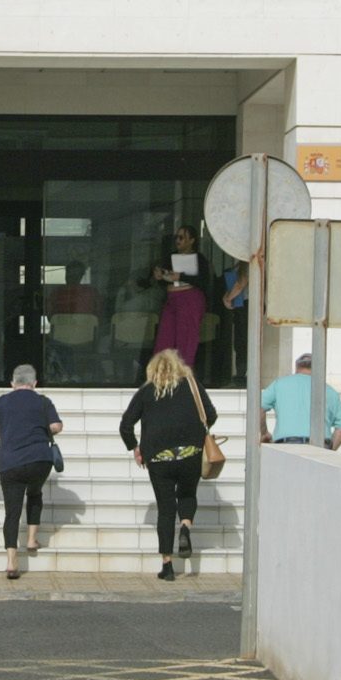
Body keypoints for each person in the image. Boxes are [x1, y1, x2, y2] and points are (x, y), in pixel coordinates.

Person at [119, 347, 219, 582]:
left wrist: (135, 447)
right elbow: (211, 415)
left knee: (165, 509)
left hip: (159, 458)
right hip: (190, 454)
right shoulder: (192, 385)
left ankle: (168, 566)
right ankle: (185, 527)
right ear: (179, 366)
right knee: (187, 495)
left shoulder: (146, 392)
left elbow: (125, 424)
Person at [0, 363, 63, 579]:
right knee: (35, 493)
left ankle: (12, 563)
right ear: (34, 383)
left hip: (11, 463)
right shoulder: (43, 401)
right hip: (40, 460)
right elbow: (57, 426)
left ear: (12, 384)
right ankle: (31, 539)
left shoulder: (3, 401)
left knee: (12, 512)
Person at [149, 223, 208, 369]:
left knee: (186, 338)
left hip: (189, 298)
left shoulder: (199, 258)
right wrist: (160, 277)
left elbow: (204, 280)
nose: (178, 240)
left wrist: (181, 277)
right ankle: (162, 371)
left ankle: (184, 373)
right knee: (165, 337)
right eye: (177, 237)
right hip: (172, 298)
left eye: (182, 237)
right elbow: (168, 282)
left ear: (192, 240)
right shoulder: (171, 257)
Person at [260, 353, 341, 450]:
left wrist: (264, 433)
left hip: (287, 445)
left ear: (297, 368)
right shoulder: (330, 391)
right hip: (320, 445)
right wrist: (331, 450)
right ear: (318, 369)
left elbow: (259, 408)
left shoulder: (279, 384)